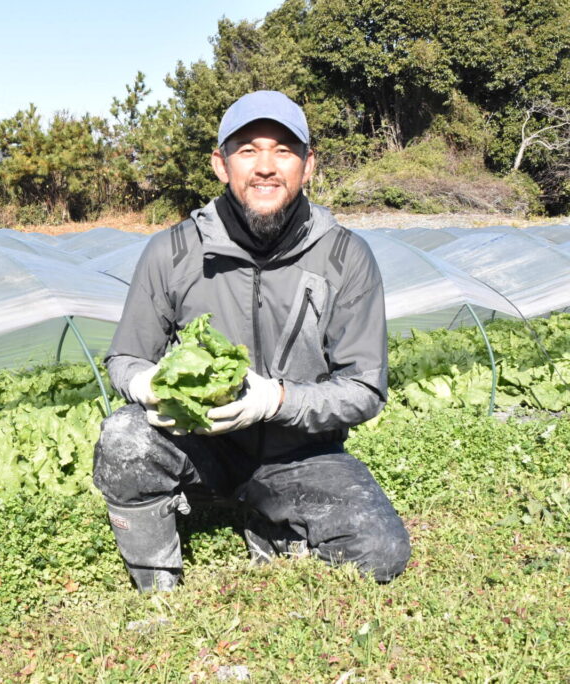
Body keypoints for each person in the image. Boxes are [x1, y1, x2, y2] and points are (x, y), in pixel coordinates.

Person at [93, 90, 411, 592]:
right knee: (125, 435)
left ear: (308, 165)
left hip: (299, 452)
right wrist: (144, 383)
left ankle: (265, 517)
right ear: (221, 165)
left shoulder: (346, 257)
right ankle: (156, 583)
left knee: (379, 551)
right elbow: (125, 355)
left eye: (284, 150)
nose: (266, 166)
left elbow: (365, 389)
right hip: (201, 445)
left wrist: (275, 400)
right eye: (247, 150)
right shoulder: (172, 251)